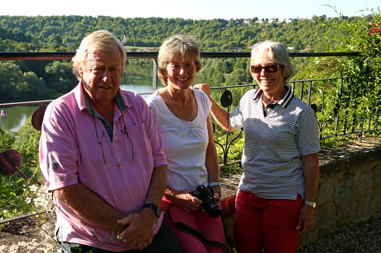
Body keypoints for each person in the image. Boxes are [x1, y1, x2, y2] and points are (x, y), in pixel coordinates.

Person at [39, 30, 182, 253]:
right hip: (92, 239)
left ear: (122, 70)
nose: (107, 78)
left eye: (113, 69)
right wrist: (129, 228)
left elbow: (160, 164)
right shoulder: (61, 113)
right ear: (80, 70)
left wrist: (148, 214)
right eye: (98, 69)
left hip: (148, 225)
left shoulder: (137, 105)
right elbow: (65, 188)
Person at [195, 40, 320, 253]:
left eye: (270, 67)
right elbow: (229, 124)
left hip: (284, 197)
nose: (263, 73)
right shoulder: (248, 99)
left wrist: (308, 206)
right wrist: (208, 100)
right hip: (249, 192)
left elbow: (310, 163)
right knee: (244, 248)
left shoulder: (302, 113)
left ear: (284, 69)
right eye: (257, 68)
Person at [146, 35, 225, 253]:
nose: (183, 72)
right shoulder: (152, 108)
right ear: (164, 70)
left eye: (189, 65)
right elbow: (147, 162)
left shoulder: (202, 99)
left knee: (218, 250)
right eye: (176, 66)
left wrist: (216, 185)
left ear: (196, 66)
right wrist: (174, 196)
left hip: (204, 195)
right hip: (172, 200)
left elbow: (210, 147)